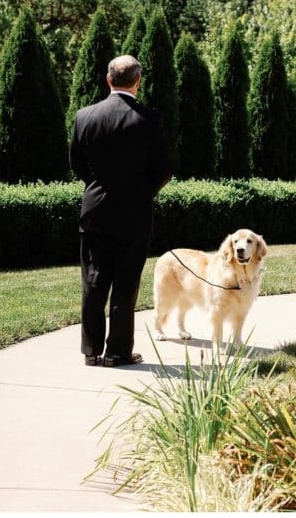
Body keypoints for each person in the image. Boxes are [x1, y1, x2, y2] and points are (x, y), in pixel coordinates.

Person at [70, 55, 172, 367]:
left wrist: (99, 186)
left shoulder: (84, 116)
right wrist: (141, 193)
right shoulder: (150, 118)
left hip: (95, 210)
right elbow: (164, 169)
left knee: (94, 280)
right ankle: (118, 352)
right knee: (126, 283)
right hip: (135, 212)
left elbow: (77, 164)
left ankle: (91, 350)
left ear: (108, 79)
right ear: (138, 82)